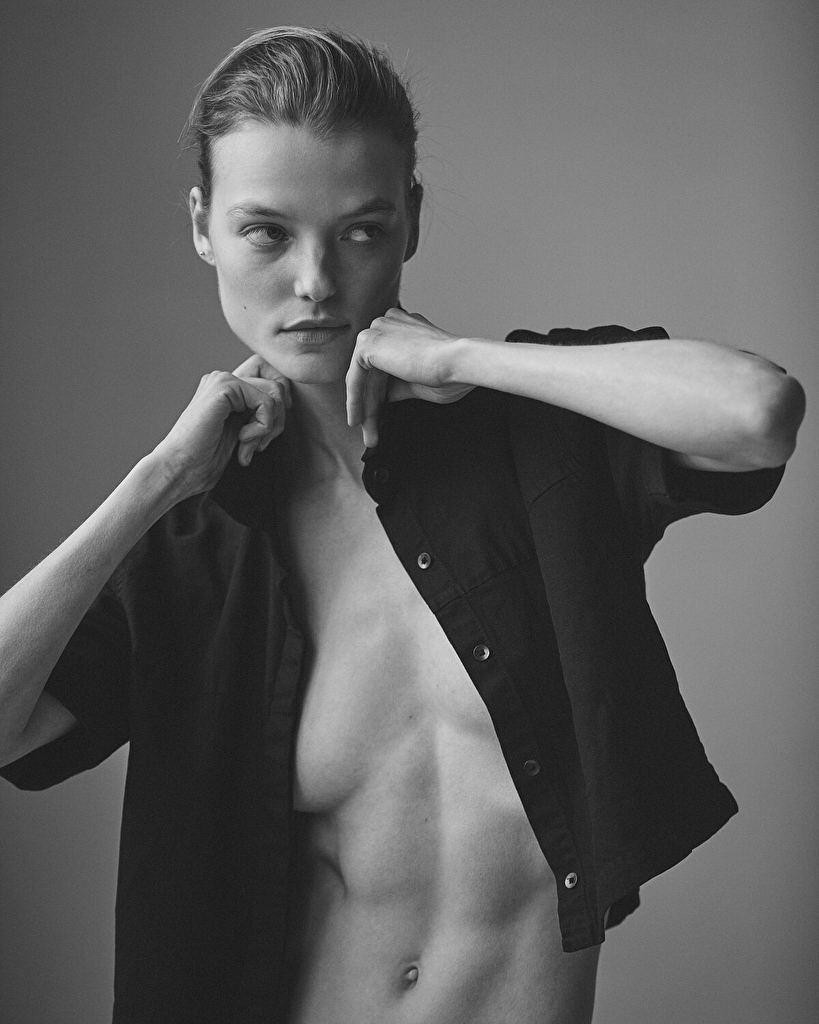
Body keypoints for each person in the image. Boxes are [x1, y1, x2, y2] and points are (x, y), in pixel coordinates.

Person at [0, 25, 805, 1024]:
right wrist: (159, 479)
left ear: (411, 221)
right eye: (267, 232)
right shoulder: (191, 539)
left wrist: (469, 359)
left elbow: (758, 414)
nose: (314, 281)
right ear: (203, 225)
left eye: (360, 230)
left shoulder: (536, 436)